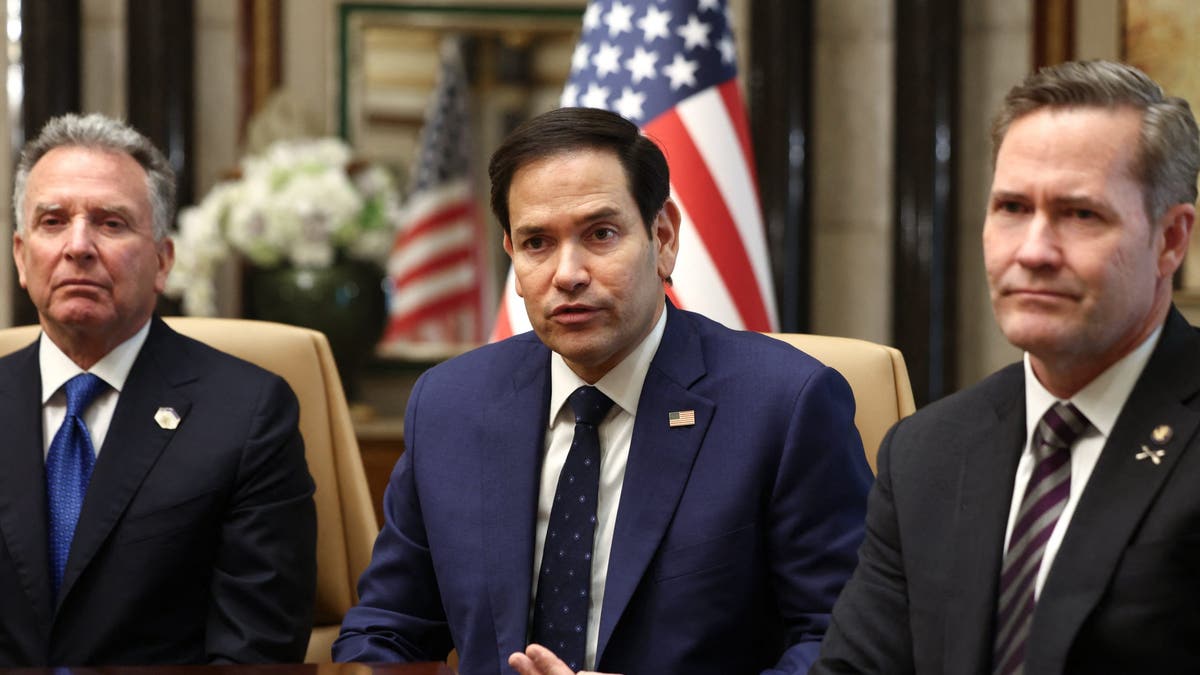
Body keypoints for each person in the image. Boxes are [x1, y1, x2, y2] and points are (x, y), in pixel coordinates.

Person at [334, 107, 872, 674]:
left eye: (601, 234)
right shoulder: (449, 405)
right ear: (513, 260)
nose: (568, 273)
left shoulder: (783, 405)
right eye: (537, 242)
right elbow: (386, 630)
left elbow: (839, 643)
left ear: (662, 238)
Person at [813, 60, 1200, 674]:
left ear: (1171, 239)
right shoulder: (926, 453)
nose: (1034, 251)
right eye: (1013, 208)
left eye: (1081, 214)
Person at [0, 113, 317, 666]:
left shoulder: (247, 415)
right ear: (21, 258)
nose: (79, 245)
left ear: (163, 261)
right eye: (53, 221)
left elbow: (255, 653)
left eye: (111, 223)